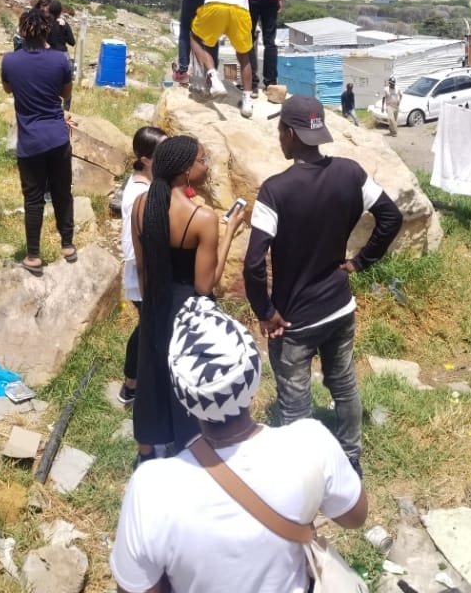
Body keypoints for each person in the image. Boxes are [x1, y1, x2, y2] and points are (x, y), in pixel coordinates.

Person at [110, 297, 367, 593]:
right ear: (254, 377)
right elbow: (354, 516)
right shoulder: (310, 442)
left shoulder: (151, 488)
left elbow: (135, 588)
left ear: (184, 398)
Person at [243, 96, 403, 473]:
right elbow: (390, 217)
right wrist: (361, 261)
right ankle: (351, 460)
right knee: (344, 385)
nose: (279, 137)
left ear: (291, 134)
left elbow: (253, 263)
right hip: (339, 307)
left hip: (294, 321)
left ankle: (303, 474)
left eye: (280, 130)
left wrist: (265, 312)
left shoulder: (274, 191)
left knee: (295, 401)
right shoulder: (350, 173)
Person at [131, 135, 248, 463]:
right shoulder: (203, 217)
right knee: (188, 376)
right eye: (202, 159)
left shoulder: (142, 205)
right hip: (187, 308)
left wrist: (150, 304)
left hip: (154, 300)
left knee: (152, 370)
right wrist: (228, 235)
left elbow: (142, 266)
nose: (206, 164)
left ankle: (146, 451)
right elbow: (205, 284)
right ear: (184, 170)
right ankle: (189, 448)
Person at [0, 8, 75, 276]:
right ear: (48, 31)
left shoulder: (9, 61)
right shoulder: (60, 60)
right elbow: (65, 93)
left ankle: (33, 255)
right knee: (62, 192)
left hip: (29, 141)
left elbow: (9, 89)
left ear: (22, 32)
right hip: (57, 137)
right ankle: (67, 245)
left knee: (33, 199)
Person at [117, 125, 166, 407]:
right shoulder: (139, 193)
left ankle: (133, 384)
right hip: (143, 275)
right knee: (149, 328)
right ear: (146, 159)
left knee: (148, 327)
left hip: (146, 274)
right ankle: (133, 385)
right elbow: (131, 243)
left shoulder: (146, 182)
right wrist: (147, 279)